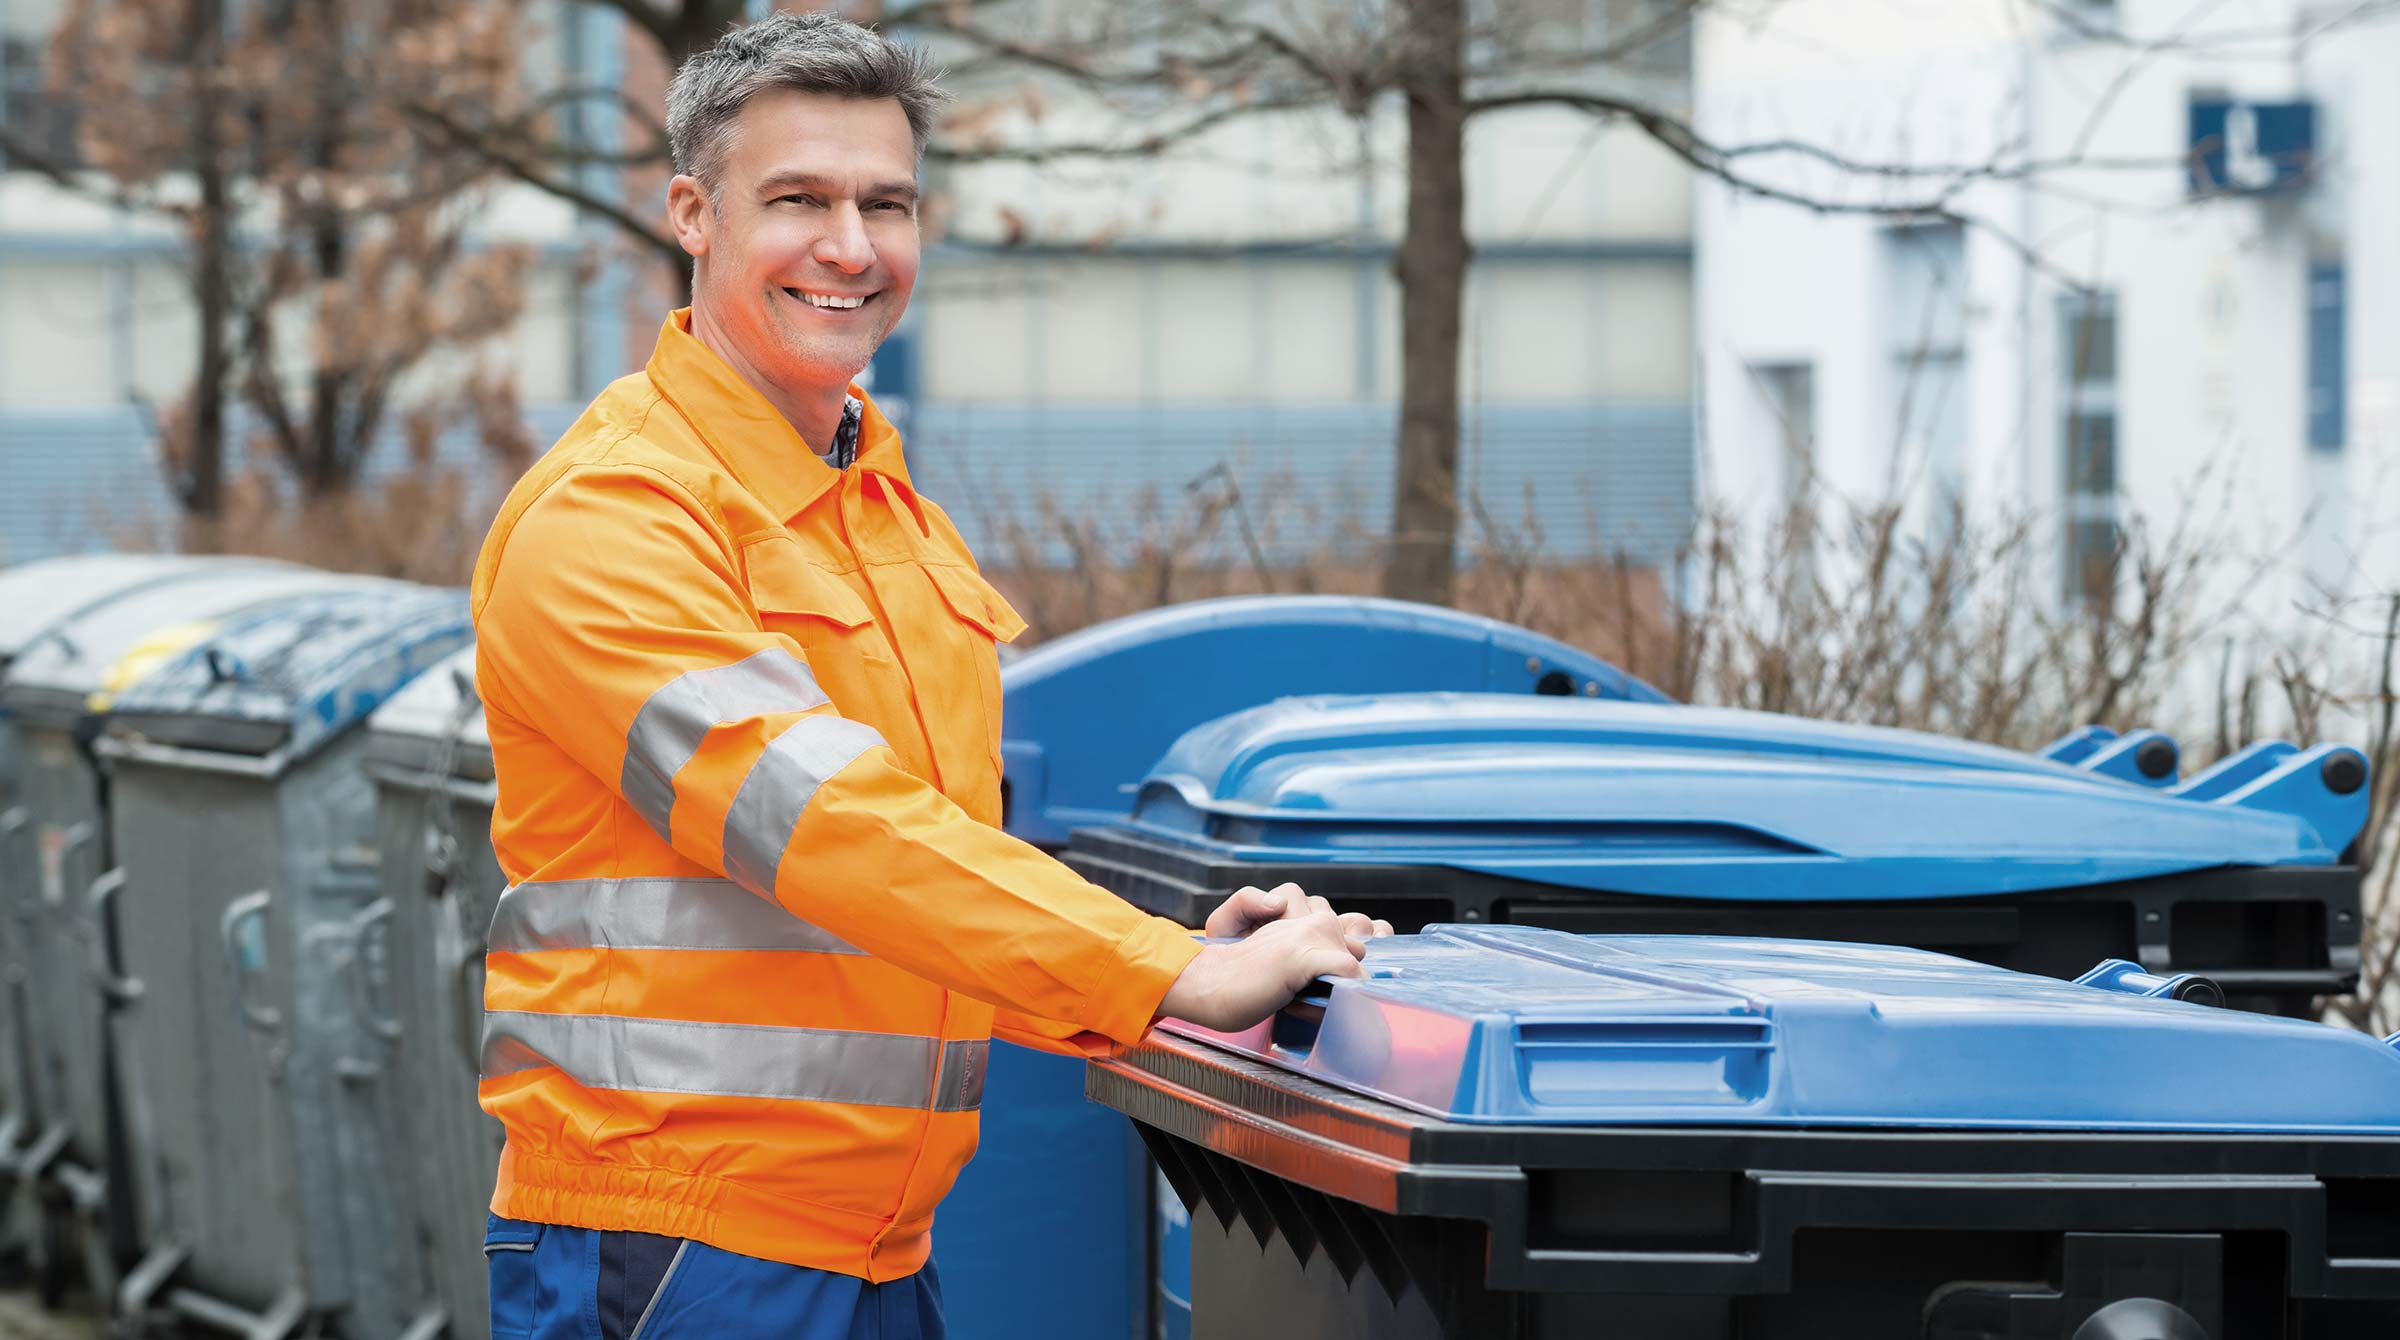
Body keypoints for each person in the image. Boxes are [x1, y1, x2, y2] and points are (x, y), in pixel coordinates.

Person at [468, 13, 1390, 1340]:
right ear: (692, 212)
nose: (852, 247)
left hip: (874, 1244)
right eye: (798, 200)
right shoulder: (611, 520)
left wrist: (1169, 966)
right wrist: (1155, 973)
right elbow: (833, 831)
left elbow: (927, 887)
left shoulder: (879, 512)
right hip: (674, 1241)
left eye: (885, 204)